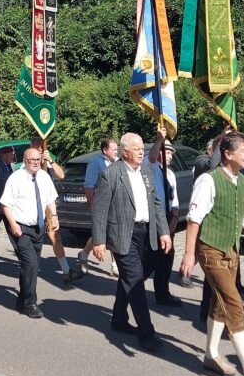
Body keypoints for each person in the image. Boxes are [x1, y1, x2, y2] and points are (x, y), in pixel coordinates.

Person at [179, 130, 244, 376]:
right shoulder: (208, 181)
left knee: (219, 304)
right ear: (228, 153)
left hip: (231, 250)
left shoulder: (241, 181)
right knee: (233, 303)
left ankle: (210, 355)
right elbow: (194, 219)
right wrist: (189, 255)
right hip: (210, 250)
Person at [91, 132, 171, 353]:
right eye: (137, 149)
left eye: (142, 148)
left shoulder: (145, 172)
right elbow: (99, 210)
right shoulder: (111, 174)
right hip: (123, 235)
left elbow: (155, 202)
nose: (141, 152)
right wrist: (99, 241)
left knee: (131, 277)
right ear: (125, 152)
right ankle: (146, 333)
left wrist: (164, 231)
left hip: (147, 233)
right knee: (135, 282)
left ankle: (117, 318)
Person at [0, 147, 59, 318]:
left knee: (31, 267)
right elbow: (5, 204)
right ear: (25, 161)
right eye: (32, 160)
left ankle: (21, 298)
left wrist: (53, 216)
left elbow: (50, 199)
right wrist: (12, 224)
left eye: (38, 159)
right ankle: (30, 303)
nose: (36, 162)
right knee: (31, 263)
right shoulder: (16, 178)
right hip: (21, 228)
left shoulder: (44, 177)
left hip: (38, 228)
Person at [29, 136, 83, 282]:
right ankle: (29, 270)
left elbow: (61, 175)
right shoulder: (27, 165)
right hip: (32, 206)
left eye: (42, 147)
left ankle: (66, 270)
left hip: (48, 206)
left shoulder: (47, 163)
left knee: (56, 237)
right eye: (37, 146)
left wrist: (50, 161)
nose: (40, 149)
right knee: (33, 240)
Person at [148, 133, 182, 307]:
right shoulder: (152, 168)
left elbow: (174, 198)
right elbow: (151, 158)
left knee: (167, 258)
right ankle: (131, 288)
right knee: (152, 258)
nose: (171, 155)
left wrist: (175, 218)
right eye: (168, 152)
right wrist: (160, 139)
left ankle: (163, 294)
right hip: (155, 219)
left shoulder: (171, 174)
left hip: (169, 219)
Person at [77, 137, 119, 276]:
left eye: (116, 149)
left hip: (115, 205)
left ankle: (84, 255)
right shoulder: (96, 162)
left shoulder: (118, 162)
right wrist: (93, 206)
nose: (116, 152)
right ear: (105, 150)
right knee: (103, 234)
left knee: (111, 233)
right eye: (113, 150)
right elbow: (89, 186)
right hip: (100, 205)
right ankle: (113, 265)